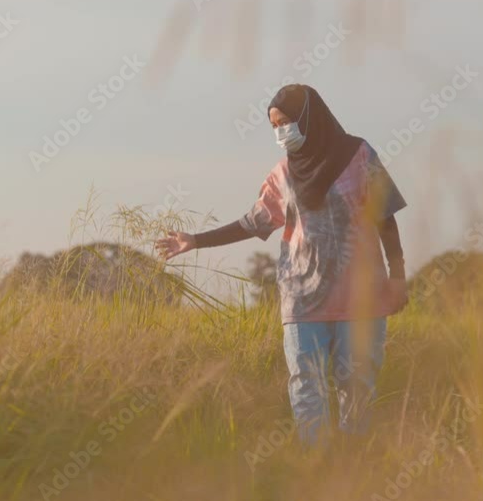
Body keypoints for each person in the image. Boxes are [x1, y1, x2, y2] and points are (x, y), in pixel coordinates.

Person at [156, 84, 407, 445]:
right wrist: (196, 240)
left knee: (357, 386)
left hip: (361, 298)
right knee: (307, 386)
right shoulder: (284, 173)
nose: (281, 132)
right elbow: (253, 222)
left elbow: (385, 216)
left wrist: (397, 276)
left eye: (287, 121)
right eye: (274, 126)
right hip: (302, 298)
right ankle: (315, 468)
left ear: (309, 117)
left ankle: (355, 470)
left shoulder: (359, 155)